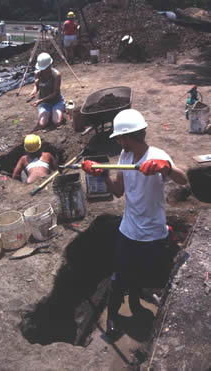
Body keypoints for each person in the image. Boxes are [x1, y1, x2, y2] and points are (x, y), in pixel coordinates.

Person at [81, 109, 187, 337]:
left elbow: (183, 179)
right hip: (128, 231)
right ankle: (112, 316)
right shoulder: (125, 157)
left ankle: (137, 302)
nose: (118, 142)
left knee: (142, 273)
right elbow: (118, 191)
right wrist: (102, 175)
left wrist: (167, 168)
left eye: (119, 138)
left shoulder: (158, 156)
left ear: (127, 137)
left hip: (154, 233)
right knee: (119, 277)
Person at [29, 52, 65, 129]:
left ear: (49, 65)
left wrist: (40, 100)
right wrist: (34, 90)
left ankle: (58, 109)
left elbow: (55, 93)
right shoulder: (37, 73)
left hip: (56, 101)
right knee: (42, 124)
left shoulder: (56, 75)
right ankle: (50, 112)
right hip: (45, 103)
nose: (43, 70)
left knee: (57, 122)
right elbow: (37, 85)